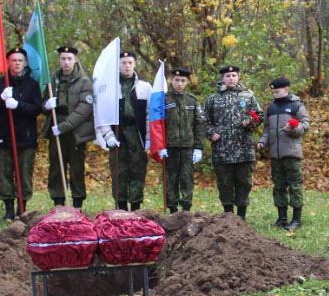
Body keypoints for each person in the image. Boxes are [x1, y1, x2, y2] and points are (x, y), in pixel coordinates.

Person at [0, 48, 42, 221]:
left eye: (20, 60)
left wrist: (18, 105)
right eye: (13, 60)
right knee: (4, 175)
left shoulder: (32, 85)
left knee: (24, 175)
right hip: (4, 137)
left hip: (25, 138)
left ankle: (22, 209)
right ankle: (8, 209)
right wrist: (1, 99)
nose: (16, 63)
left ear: (25, 63)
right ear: (8, 63)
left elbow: (36, 109)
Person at [95, 51, 151, 210]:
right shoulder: (110, 87)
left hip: (137, 133)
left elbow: (150, 113)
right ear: (118, 65)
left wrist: (148, 137)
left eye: (130, 62)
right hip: (119, 133)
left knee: (138, 170)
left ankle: (136, 206)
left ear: (134, 64)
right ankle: (121, 207)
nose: (127, 65)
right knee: (119, 171)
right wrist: (108, 135)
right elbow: (102, 113)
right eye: (123, 62)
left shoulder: (145, 86)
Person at [203, 65, 261, 219]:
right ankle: (228, 216)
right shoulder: (213, 99)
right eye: (228, 76)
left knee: (244, 182)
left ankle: (241, 217)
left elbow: (259, 116)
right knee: (225, 183)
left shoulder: (248, 97)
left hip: (244, 149)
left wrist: (250, 121)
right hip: (222, 150)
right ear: (222, 78)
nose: (231, 79)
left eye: (234, 75)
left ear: (238, 77)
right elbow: (204, 122)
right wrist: (211, 133)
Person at [44, 45, 95, 208]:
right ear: (59, 60)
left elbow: (83, 109)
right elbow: (42, 104)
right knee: (56, 166)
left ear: (75, 60)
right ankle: (58, 201)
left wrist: (64, 126)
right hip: (55, 128)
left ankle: (77, 203)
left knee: (76, 169)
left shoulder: (84, 82)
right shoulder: (52, 80)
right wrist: (46, 105)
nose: (66, 62)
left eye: (69, 59)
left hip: (75, 131)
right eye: (63, 58)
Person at [258, 77, 310, 230]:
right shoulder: (272, 108)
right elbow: (267, 129)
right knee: (278, 186)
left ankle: (296, 219)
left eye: (277, 91)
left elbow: (305, 124)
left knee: (294, 186)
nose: (274, 94)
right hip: (275, 154)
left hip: (292, 153)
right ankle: (282, 218)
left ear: (286, 89)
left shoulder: (296, 105)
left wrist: (294, 129)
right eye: (273, 92)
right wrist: (263, 141)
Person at [160, 67, 204, 213]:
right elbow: (158, 124)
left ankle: (186, 209)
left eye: (183, 81)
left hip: (187, 146)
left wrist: (198, 147)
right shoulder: (163, 100)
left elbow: (199, 124)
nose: (179, 83)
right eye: (177, 80)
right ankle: (172, 208)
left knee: (187, 178)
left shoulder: (192, 100)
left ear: (187, 82)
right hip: (170, 146)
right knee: (170, 178)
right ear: (171, 80)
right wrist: (160, 145)